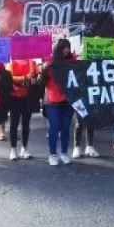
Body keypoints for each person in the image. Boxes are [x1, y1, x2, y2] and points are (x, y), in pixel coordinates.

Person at [41, 38, 76, 166]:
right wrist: (44, 70)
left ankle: (64, 153)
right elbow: (41, 83)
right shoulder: (49, 61)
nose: (66, 49)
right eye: (63, 47)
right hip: (53, 101)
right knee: (54, 128)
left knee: (65, 128)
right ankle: (52, 154)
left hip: (68, 101)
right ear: (58, 49)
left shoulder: (73, 61)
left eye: (68, 46)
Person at [7, 58, 39, 160]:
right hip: (14, 96)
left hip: (28, 96)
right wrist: (24, 77)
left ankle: (24, 148)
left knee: (26, 124)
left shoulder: (32, 62)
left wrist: (34, 79)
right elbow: (10, 78)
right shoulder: (12, 63)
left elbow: (36, 76)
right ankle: (13, 149)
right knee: (14, 123)